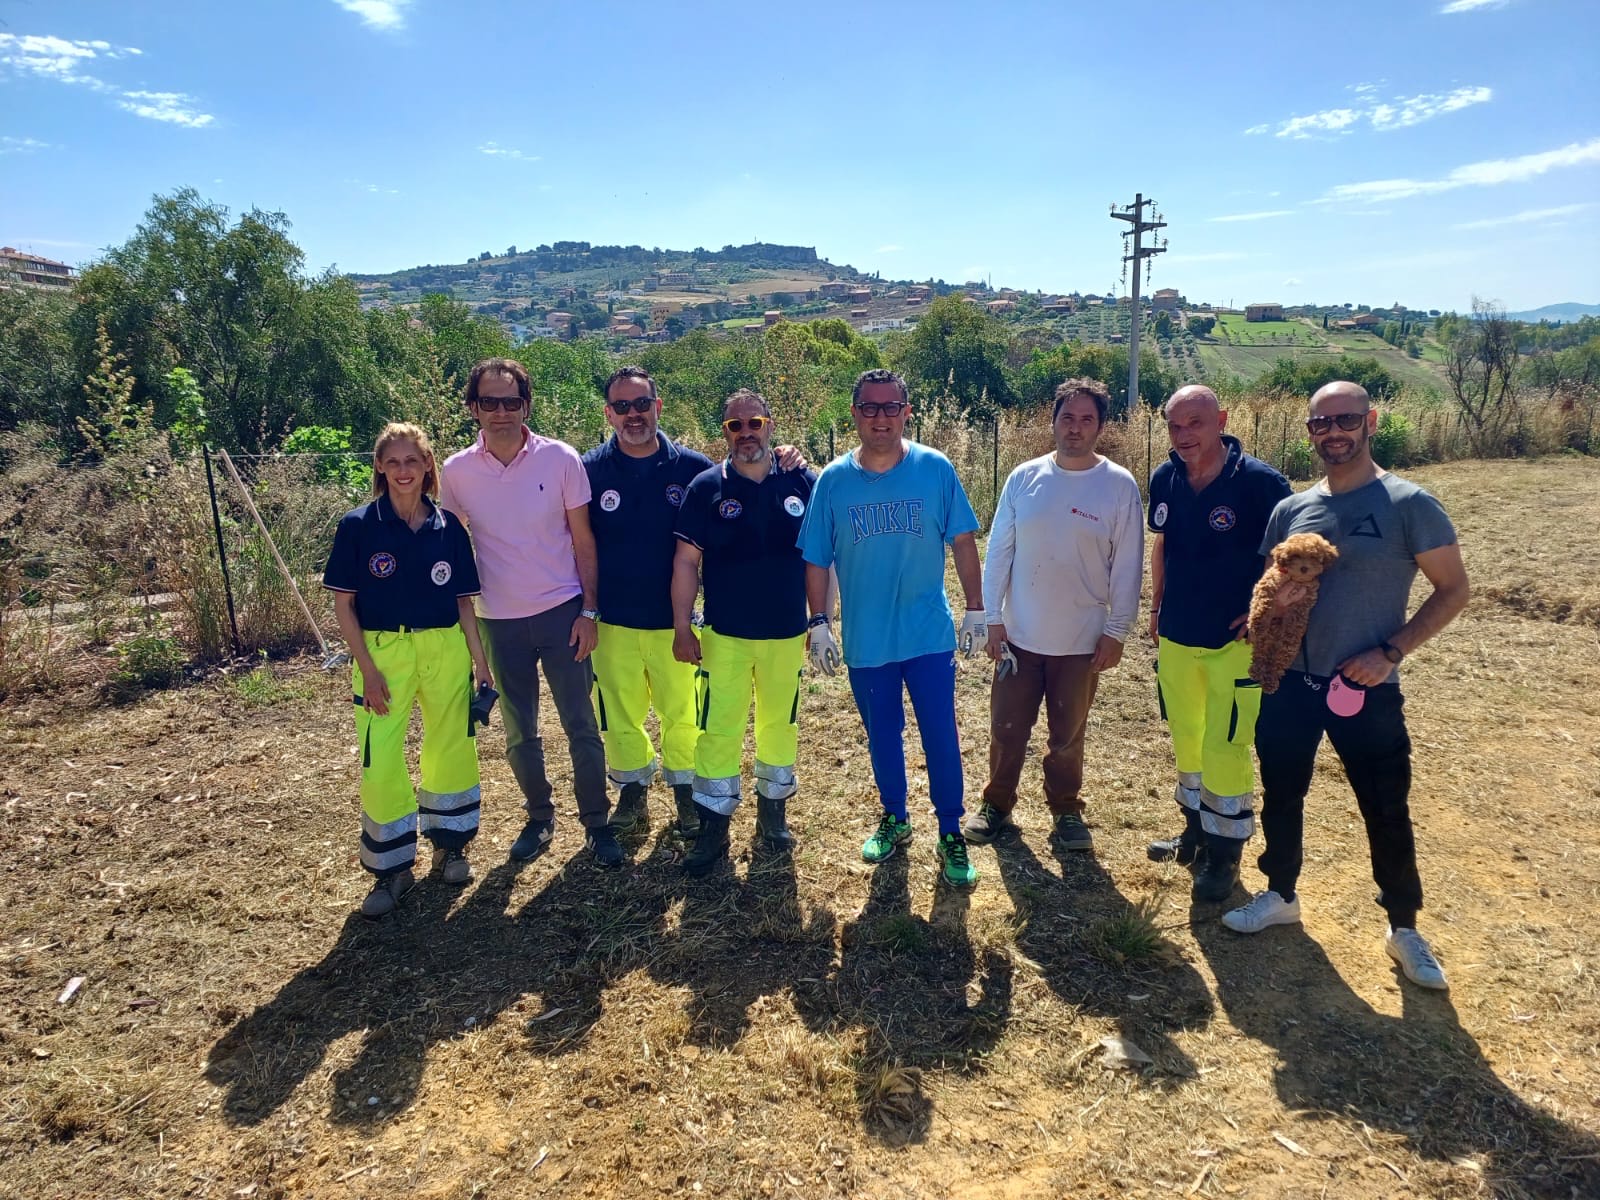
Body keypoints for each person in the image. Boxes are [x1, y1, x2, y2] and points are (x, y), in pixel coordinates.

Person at [1222, 381, 1469, 993]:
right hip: (1289, 683)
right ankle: (1280, 893)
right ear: (1310, 431)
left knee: (1384, 804)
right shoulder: (1291, 509)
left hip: (1364, 685)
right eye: (1321, 422)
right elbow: (1270, 590)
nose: (1334, 431)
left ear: (1370, 422)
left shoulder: (1410, 504)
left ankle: (1404, 927)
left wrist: (1391, 652)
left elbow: (1454, 590)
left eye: (1346, 419)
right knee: (1282, 792)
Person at [797, 368, 986, 888]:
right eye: (870, 407)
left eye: (891, 407)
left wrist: (977, 608)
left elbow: (964, 541)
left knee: (940, 734)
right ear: (855, 413)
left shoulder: (935, 469)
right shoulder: (833, 481)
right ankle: (895, 818)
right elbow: (816, 557)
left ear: (907, 411)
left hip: (927, 635)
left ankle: (950, 829)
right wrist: (819, 623)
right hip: (867, 639)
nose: (881, 417)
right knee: (883, 734)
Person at [438, 358, 621, 868]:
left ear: (526, 404)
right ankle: (539, 819)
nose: (501, 412)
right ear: (473, 407)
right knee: (520, 731)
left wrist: (589, 610)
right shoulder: (455, 472)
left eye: (511, 401)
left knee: (580, 724)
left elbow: (584, 542)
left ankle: (597, 825)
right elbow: (450, 555)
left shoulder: (560, 459)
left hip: (563, 612)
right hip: (500, 619)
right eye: (489, 402)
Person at [964, 378, 1143, 854]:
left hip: (1082, 642)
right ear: (1053, 420)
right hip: (1020, 637)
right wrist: (992, 619)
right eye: (1068, 417)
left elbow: (1128, 565)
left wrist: (1116, 630)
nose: (1076, 428)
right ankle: (996, 805)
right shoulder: (1024, 478)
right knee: (1006, 728)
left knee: (1067, 736)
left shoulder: (1119, 486)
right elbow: (999, 550)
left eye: (1087, 419)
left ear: (1101, 426)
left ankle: (1066, 810)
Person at [324, 423, 495, 917]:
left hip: (445, 648)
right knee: (382, 757)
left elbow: (464, 602)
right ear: (380, 466)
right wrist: (368, 669)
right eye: (393, 462)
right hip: (385, 652)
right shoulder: (358, 525)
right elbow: (343, 605)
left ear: (427, 467)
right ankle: (390, 867)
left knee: (451, 745)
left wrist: (479, 662)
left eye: (412, 461)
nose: (403, 471)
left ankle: (451, 843)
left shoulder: (448, 528)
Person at [1146, 384, 1292, 901]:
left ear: (1223, 420)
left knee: (1226, 744)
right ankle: (1194, 832)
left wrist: (1265, 611)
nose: (1184, 435)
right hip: (1179, 635)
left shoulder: (1261, 483)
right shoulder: (1165, 477)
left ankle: (1225, 855)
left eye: (1195, 423)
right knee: (1187, 735)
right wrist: (1157, 604)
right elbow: (1163, 543)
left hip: (1235, 644)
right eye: (1174, 425)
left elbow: (1288, 559)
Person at [669, 389, 818, 875]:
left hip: (785, 634)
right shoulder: (705, 487)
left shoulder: (803, 481)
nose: (746, 433)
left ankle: (772, 815)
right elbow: (687, 562)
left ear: (770, 425)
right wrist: (682, 626)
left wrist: (821, 623)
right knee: (718, 729)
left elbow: (823, 559)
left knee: (781, 725)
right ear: (725, 433)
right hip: (724, 635)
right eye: (736, 425)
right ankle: (713, 828)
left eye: (754, 422)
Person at [581, 365, 716, 841]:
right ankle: (633, 792)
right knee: (618, 712)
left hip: (675, 622)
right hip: (613, 621)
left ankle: (685, 793)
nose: (633, 414)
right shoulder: (588, 470)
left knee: (683, 713)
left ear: (659, 407)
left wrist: (789, 459)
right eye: (622, 406)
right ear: (609, 413)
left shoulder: (695, 469)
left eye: (642, 404)